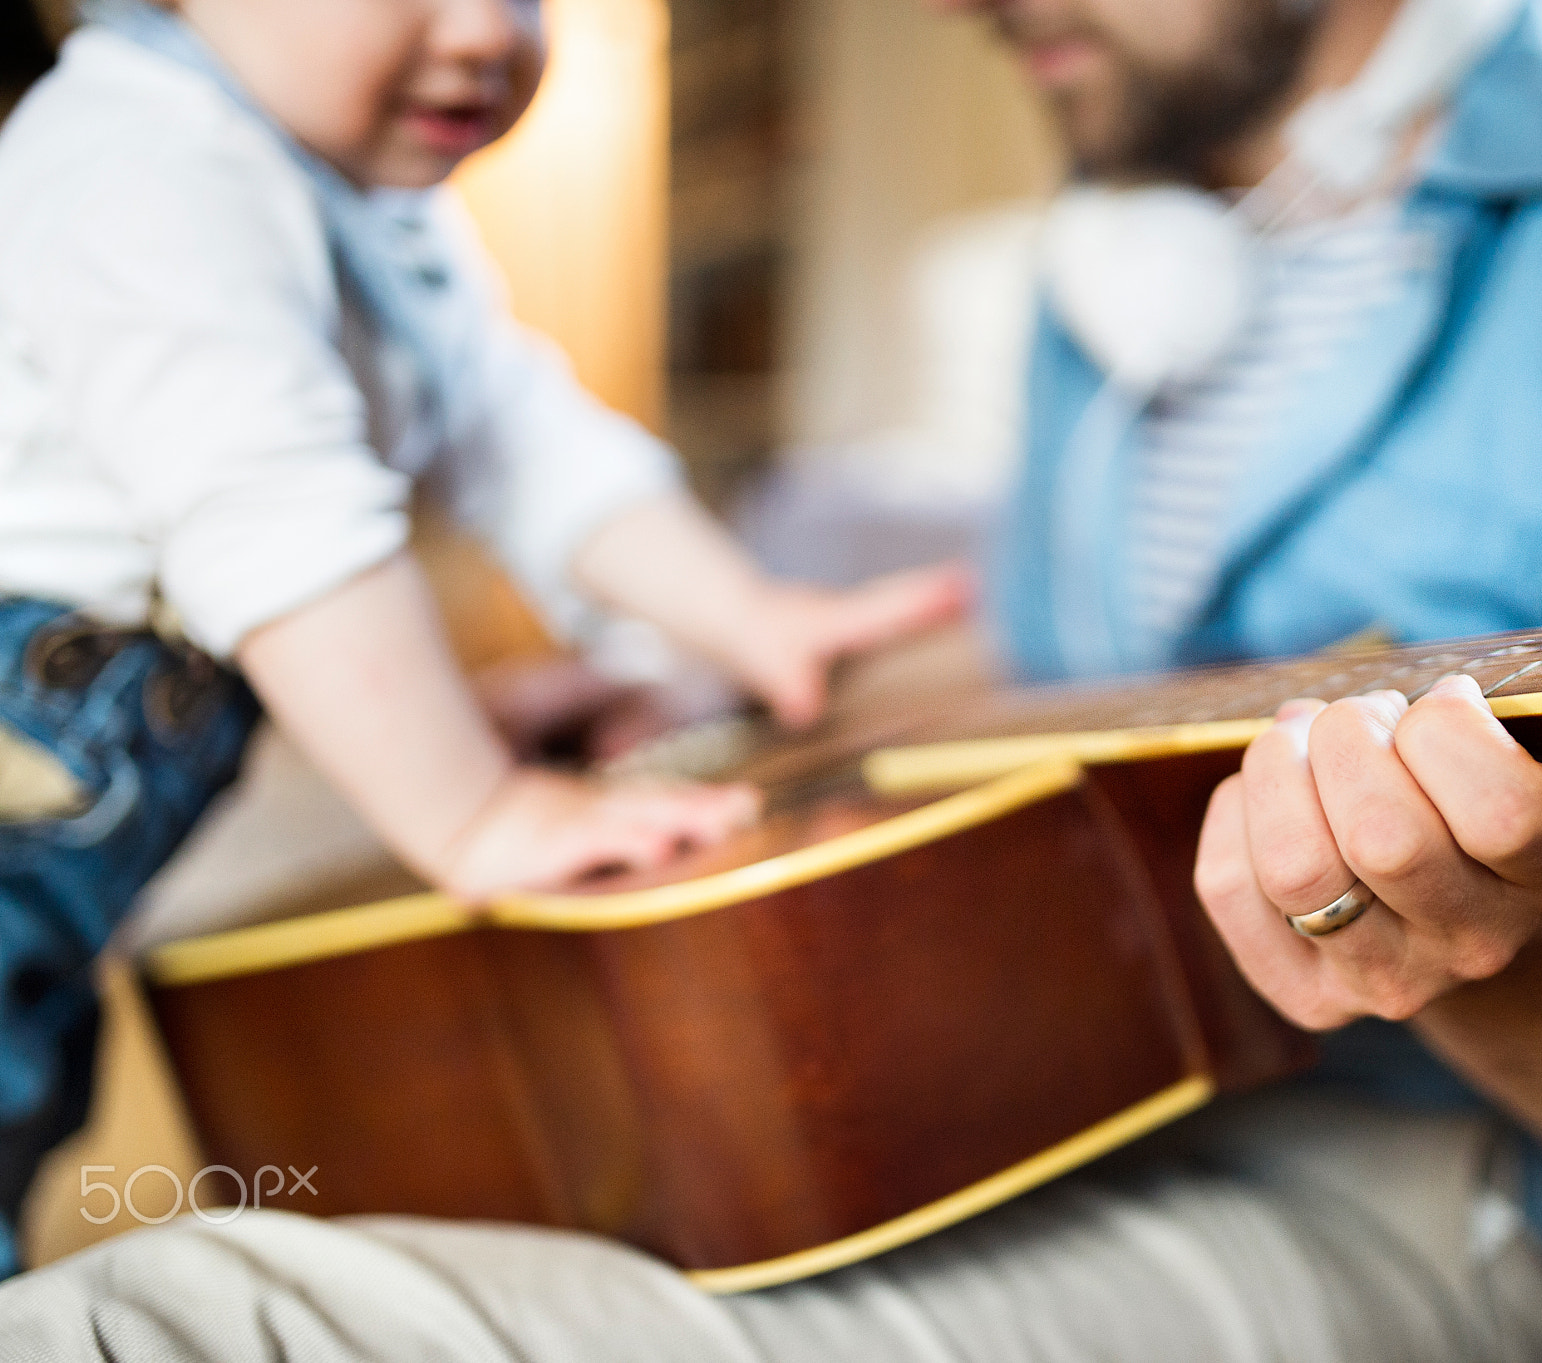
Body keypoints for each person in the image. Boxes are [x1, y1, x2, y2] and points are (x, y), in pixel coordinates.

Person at [0, 0, 1542, 1360]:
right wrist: (746, 719)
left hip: (1482, 1200)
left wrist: (1499, 951)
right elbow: (1120, 706)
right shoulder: (1133, 229)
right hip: (1020, 1099)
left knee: (167, 1321)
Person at [0, 0, 965, 1279]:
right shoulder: (144, 164)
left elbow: (529, 445)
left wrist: (745, 614)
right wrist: (475, 811)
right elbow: (278, 523)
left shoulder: (370, 211)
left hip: (65, 847)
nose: (483, 33)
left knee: (28, 1093)